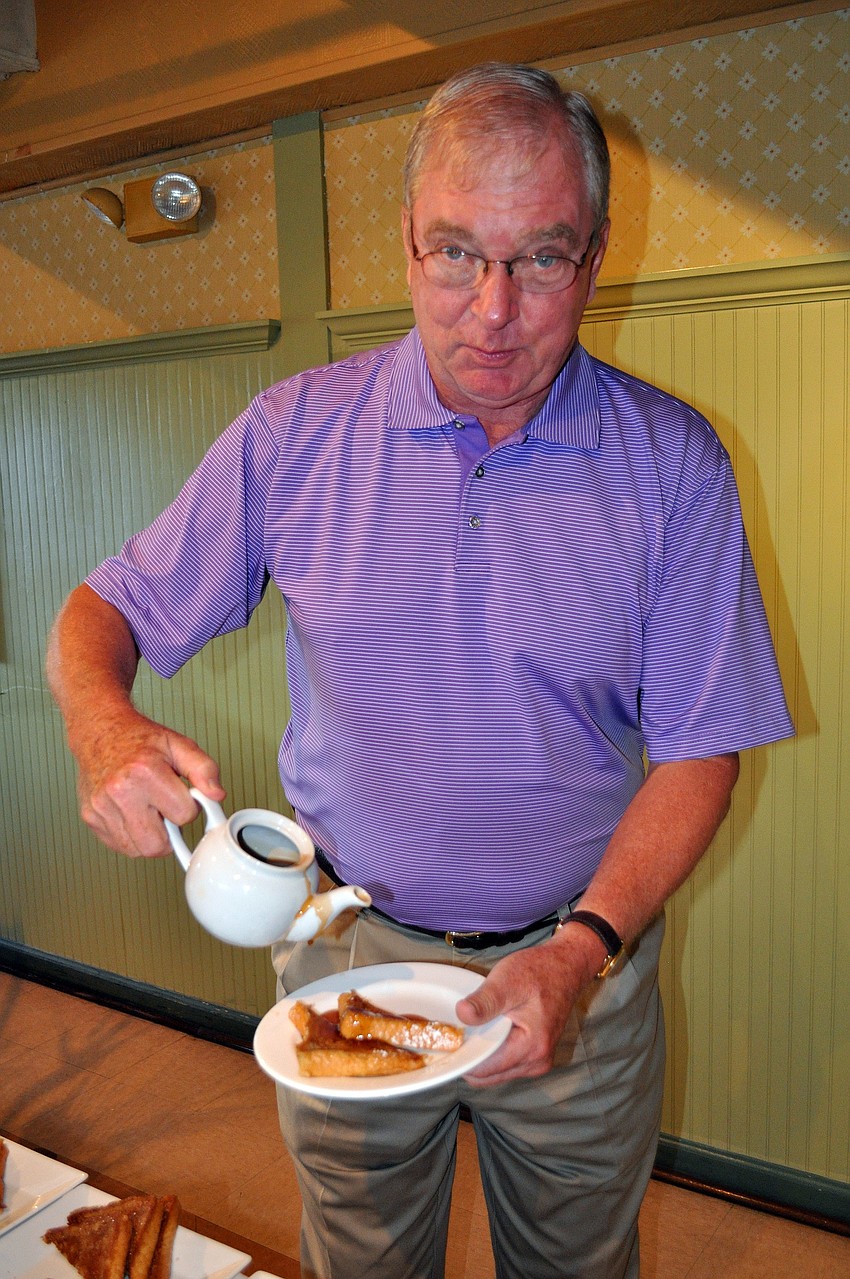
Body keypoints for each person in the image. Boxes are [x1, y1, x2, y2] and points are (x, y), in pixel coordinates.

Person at [47, 62, 794, 1278]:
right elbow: (105, 608)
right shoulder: (293, 434)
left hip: (575, 964)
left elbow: (703, 744)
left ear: (594, 255)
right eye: (454, 254)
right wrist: (101, 723)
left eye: (539, 259)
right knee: (360, 1258)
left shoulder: (673, 464)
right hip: (346, 954)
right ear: (405, 246)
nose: (491, 311)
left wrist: (580, 950)